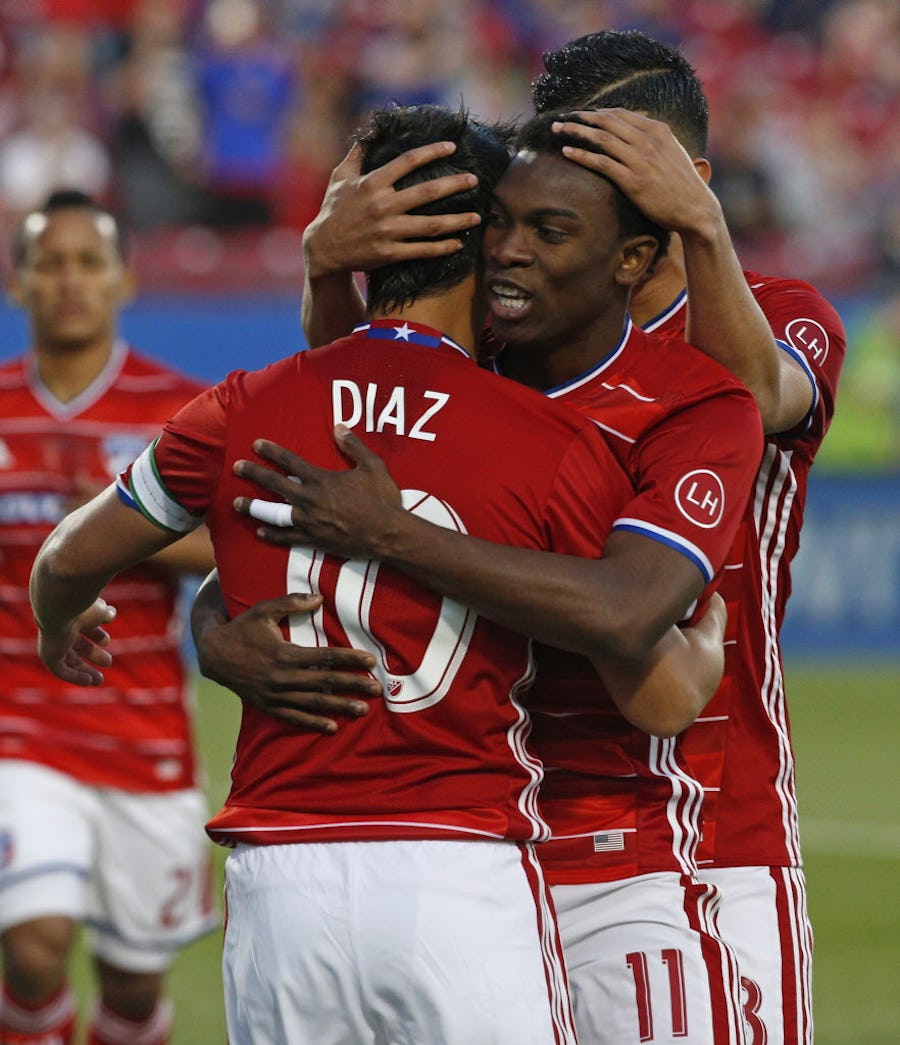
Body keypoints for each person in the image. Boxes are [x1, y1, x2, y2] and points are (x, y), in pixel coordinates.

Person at [29, 103, 732, 1045]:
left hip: (281, 882)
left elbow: (67, 557)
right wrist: (708, 647)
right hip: (459, 867)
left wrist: (60, 617)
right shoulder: (547, 442)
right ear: (486, 244)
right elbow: (655, 693)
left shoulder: (246, 405)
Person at [232, 29, 845, 1045]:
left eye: (613, 159)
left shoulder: (781, 317)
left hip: (706, 831)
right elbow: (358, 432)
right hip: (492, 834)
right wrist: (326, 271)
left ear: (682, 181)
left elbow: (744, 398)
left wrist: (704, 227)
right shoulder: (505, 337)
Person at [0, 190, 216, 1045]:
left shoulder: (184, 410)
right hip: (18, 722)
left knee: (131, 988)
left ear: (126, 277)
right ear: (17, 283)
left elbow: (234, 543)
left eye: (88, 262)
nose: (69, 281)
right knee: (35, 946)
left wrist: (109, 532)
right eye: (49, 263)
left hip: (145, 731)